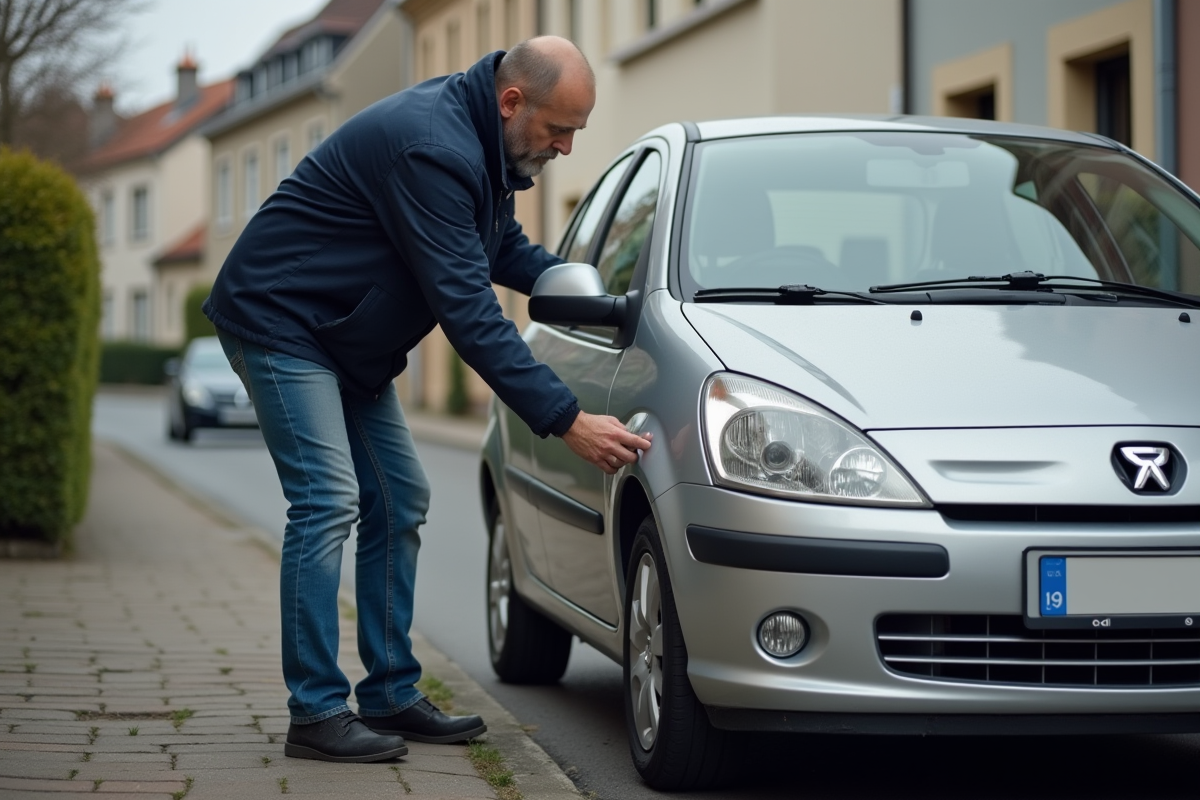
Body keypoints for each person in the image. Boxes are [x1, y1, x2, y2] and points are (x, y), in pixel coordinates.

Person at [203, 36, 653, 763]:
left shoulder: (488, 143)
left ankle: (388, 693)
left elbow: (501, 248)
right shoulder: (435, 148)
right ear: (513, 102)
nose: (567, 147)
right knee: (327, 499)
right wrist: (566, 419)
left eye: (574, 131)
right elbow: (469, 310)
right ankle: (316, 712)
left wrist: (598, 297)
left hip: (344, 337)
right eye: (559, 130)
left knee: (401, 496)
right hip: (282, 319)